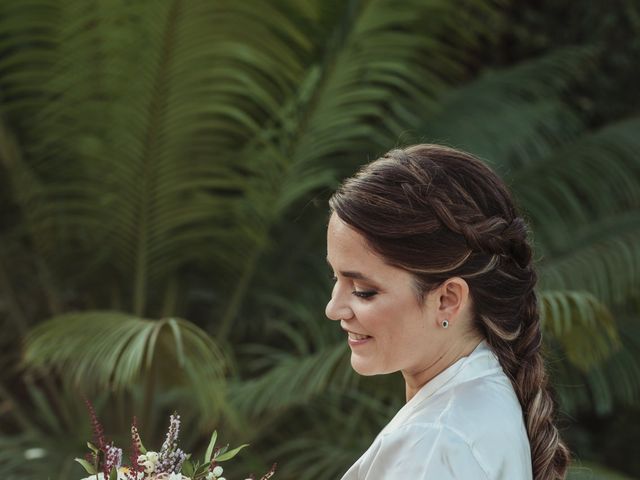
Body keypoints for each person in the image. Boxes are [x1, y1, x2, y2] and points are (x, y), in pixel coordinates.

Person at [325, 144, 570, 480]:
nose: (333, 309)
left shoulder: (437, 445)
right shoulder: (478, 404)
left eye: (363, 291)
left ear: (447, 300)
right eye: (334, 277)